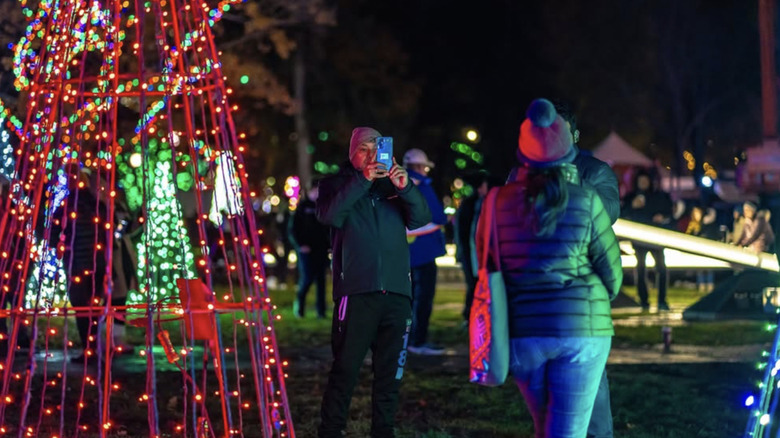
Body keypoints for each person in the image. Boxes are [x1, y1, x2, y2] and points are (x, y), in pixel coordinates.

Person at [478, 98, 622, 437]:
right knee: (565, 427)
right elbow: (612, 270)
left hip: (526, 326)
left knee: (552, 425)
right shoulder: (585, 199)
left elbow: (487, 260)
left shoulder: (498, 199)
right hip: (579, 324)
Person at [316, 127, 431, 438]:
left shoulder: (392, 188)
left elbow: (421, 218)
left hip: (396, 294)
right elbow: (328, 215)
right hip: (356, 293)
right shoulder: (336, 185)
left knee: (390, 374)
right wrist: (363, 179)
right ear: (352, 153)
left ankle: (384, 429)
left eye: (375, 149)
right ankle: (331, 429)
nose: (370, 155)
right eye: (363, 149)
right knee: (345, 369)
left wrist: (405, 187)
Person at [554, 100, 620, 438]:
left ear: (575, 134)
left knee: (588, 380)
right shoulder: (525, 173)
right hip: (538, 295)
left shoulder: (594, 171)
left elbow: (607, 213)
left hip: (582, 295)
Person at [403, 148, 447, 355]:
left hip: (403, 253)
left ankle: (403, 340)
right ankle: (418, 342)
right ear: (420, 167)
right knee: (424, 298)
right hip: (424, 252)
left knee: (406, 300)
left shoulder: (396, 184)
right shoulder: (422, 184)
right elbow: (439, 216)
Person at [621, 169, 673, 311]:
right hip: (639, 238)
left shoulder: (657, 197)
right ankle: (643, 300)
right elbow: (622, 213)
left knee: (661, 269)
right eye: (641, 181)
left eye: (645, 181)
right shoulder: (631, 197)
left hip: (656, 237)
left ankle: (662, 300)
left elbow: (669, 211)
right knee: (641, 269)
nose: (643, 183)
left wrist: (661, 217)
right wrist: (632, 206)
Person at [455, 172, 502, 325]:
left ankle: (472, 317)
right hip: (472, 255)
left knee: (475, 286)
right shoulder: (475, 204)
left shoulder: (476, 204)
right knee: (474, 286)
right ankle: (472, 318)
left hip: (473, 254)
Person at [289, 180, 330, 318]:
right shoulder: (302, 208)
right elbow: (293, 229)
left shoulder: (324, 207)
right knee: (307, 279)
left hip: (321, 249)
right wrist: (300, 245)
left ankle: (321, 311)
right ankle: (299, 306)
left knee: (321, 281)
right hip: (306, 250)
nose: (316, 193)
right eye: (314, 190)